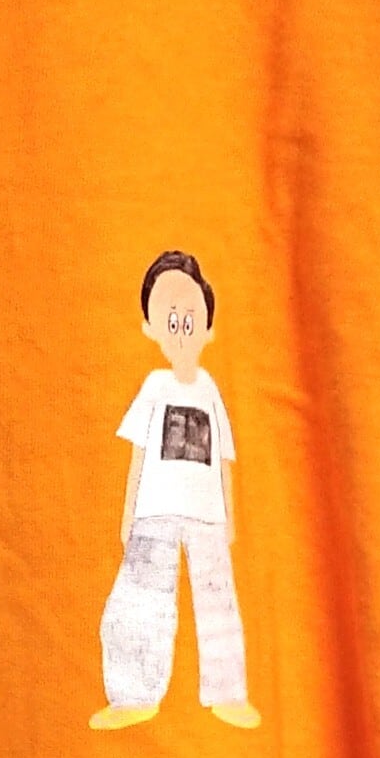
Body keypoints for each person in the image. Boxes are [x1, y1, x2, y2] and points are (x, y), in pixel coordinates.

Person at [92, 250, 260, 731]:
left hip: (207, 514)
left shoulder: (210, 390)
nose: (181, 329)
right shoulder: (154, 386)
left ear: (208, 328)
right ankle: (132, 695)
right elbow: (139, 453)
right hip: (154, 510)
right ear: (150, 327)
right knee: (139, 600)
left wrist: (230, 516)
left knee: (218, 602)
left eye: (190, 319)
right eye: (170, 320)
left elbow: (223, 457)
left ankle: (228, 693)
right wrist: (128, 513)